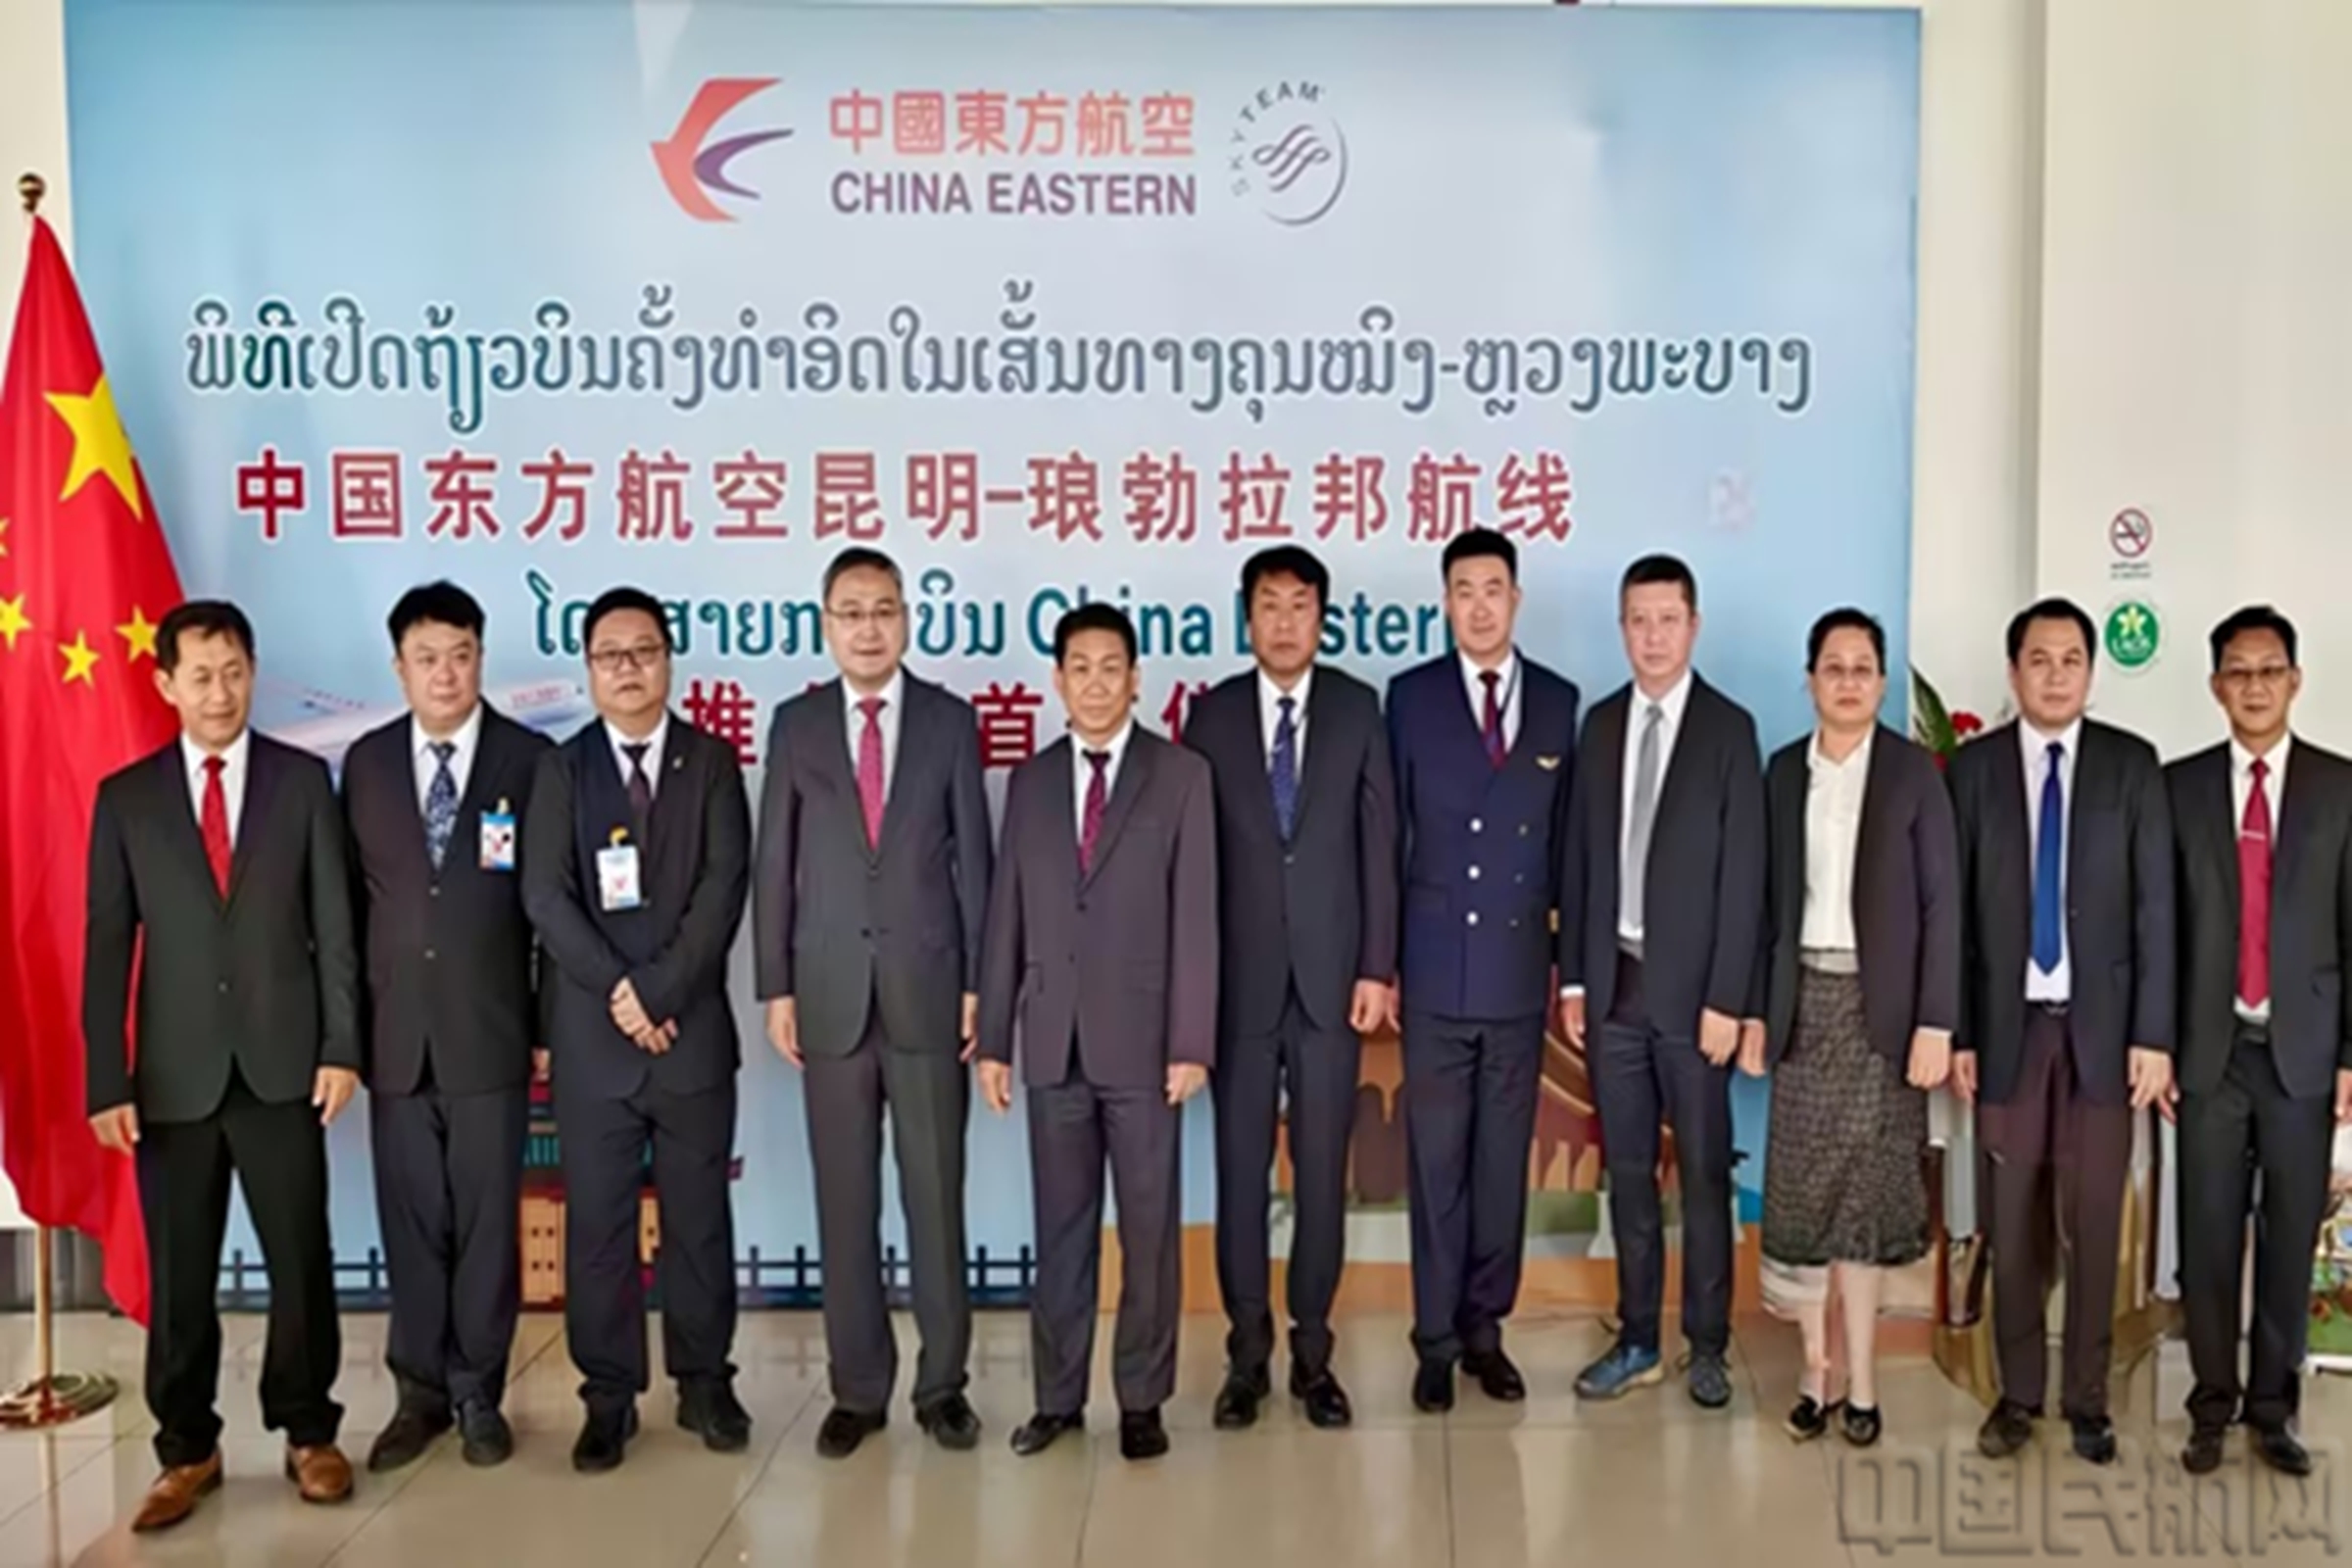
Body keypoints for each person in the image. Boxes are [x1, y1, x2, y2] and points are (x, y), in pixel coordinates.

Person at [83, 600, 360, 1530]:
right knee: (181, 1271)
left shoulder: (301, 783)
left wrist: (341, 1047)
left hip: (285, 1066)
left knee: (300, 1259)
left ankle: (309, 1430)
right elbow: (106, 946)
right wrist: (107, 1078)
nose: (219, 692)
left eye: (233, 671)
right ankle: (186, 1448)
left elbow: (336, 928)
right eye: (200, 675)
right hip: (173, 1077)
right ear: (165, 683)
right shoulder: (126, 799)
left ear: (253, 673)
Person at [754, 547, 992, 1458]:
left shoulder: (948, 722)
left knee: (936, 1201)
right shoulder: (797, 725)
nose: (868, 628)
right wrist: (776, 985)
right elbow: (776, 863)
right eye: (851, 612)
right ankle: (857, 1389)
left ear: (906, 620)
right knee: (844, 1202)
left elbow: (976, 861)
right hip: (827, 998)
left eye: (884, 610)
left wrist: (979, 984)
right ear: (827, 625)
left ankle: (943, 1387)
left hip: (930, 993)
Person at [976, 604, 1217, 1463]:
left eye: (1111, 667)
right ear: (1057, 680)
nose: (1096, 683)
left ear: (1136, 678)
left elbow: (1197, 917)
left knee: (1148, 1233)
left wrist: (1191, 1040)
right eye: (1079, 667)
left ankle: (1143, 1400)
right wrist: (995, 1039)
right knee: (1062, 1231)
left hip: (1147, 1047)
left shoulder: (1179, 776)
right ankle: (1058, 1398)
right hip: (1053, 1042)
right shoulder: (1031, 782)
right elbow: (1006, 915)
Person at [521, 587, 753, 1473]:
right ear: (589, 669)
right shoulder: (562, 769)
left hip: (690, 1036)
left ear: (668, 660)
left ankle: (705, 1382)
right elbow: (546, 896)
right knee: (599, 1231)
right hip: (594, 1042)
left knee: (700, 1222)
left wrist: (656, 993)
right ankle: (608, 1396)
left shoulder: (713, 762)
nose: (628, 668)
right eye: (610, 655)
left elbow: (722, 891)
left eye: (644, 650)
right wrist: (622, 993)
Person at [1949, 597, 2174, 1467]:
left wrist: (2153, 1035)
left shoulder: (2130, 765)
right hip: (2009, 1033)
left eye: (2071, 659)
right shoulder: (1973, 770)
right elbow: (1957, 919)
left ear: (2090, 671)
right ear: (2013, 673)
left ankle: (2086, 1398)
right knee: (2011, 1222)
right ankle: (2016, 1394)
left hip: (2105, 1036)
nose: (2054, 675)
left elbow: (2156, 911)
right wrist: (1960, 1034)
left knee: (2093, 1220)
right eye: (2038, 660)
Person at [1185, 546, 1398, 1432]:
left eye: (1300, 605)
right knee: (1240, 1180)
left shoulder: (1356, 708)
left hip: (1330, 987)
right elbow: (1192, 863)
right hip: (1237, 991)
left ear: (1321, 617)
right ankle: (1246, 1358)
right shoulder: (1210, 716)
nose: (1284, 622)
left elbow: (1380, 846)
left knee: (1319, 1178)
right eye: (1268, 605)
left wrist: (1376, 966)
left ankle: (1314, 1355)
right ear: (1247, 619)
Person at [340, 581, 551, 1473]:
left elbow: (551, 911)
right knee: (413, 1223)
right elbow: (347, 913)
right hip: (395, 1038)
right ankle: (418, 1394)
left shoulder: (529, 761)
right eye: (427, 658)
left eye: (460, 656)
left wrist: (544, 1025)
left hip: (492, 1032)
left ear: (480, 658)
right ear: (399, 668)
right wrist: (344, 1037)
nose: (445, 674)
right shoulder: (366, 764)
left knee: (487, 1227)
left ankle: (478, 1393)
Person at [1738, 609, 1956, 1448]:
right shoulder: (1782, 772)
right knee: (1802, 1202)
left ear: (1882, 681)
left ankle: (1862, 1380)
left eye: (1864, 667)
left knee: (1861, 1206)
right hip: (1802, 1006)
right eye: (1834, 667)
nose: (1849, 681)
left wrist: (1935, 1021)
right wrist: (1756, 1013)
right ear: (1810, 680)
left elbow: (1942, 907)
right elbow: (1762, 909)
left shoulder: (1912, 774)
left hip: (1882, 1015)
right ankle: (1814, 1370)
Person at [1559, 554, 1764, 1410]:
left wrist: (1729, 1000)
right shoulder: (1602, 723)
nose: (1653, 636)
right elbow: (1578, 859)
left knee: (1706, 1178)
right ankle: (1638, 1338)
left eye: (1667, 620)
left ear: (1694, 625)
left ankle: (1706, 1345)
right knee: (1631, 1174)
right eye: (1638, 621)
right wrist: (1575, 981)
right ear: (1622, 628)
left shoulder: (1728, 729)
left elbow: (1746, 876)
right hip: (1615, 990)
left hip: (1695, 1000)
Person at [1386, 528, 1580, 1414]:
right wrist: (1381, 963)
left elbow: (1572, 853)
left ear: (1517, 599)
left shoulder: (1558, 702)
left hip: (1514, 971)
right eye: (1462, 590)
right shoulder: (1411, 697)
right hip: (1430, 972)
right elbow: (1388, 839)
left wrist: (1570, 973)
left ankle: (1484, 1331)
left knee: (1502, 1164)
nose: (1478, 606)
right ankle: (1432, 1339)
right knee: (1436, 1165)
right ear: (1445, 602)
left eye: (1493, 589)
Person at [2168, 605, 2352, 1478]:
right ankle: (2211, 1403)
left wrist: (2350, 1056)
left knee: (2287, 1241)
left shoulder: (2340, 788)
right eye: (2237, 672)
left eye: (2269, 669)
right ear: (2215, 687)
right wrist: (2157, 1045)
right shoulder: (2179, 788)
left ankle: (2273, 1410)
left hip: (2302, 1055)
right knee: (2207, 1238)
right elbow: (2159, 930)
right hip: (2210, 1051)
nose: (2254, 686)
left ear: (2295, 681)